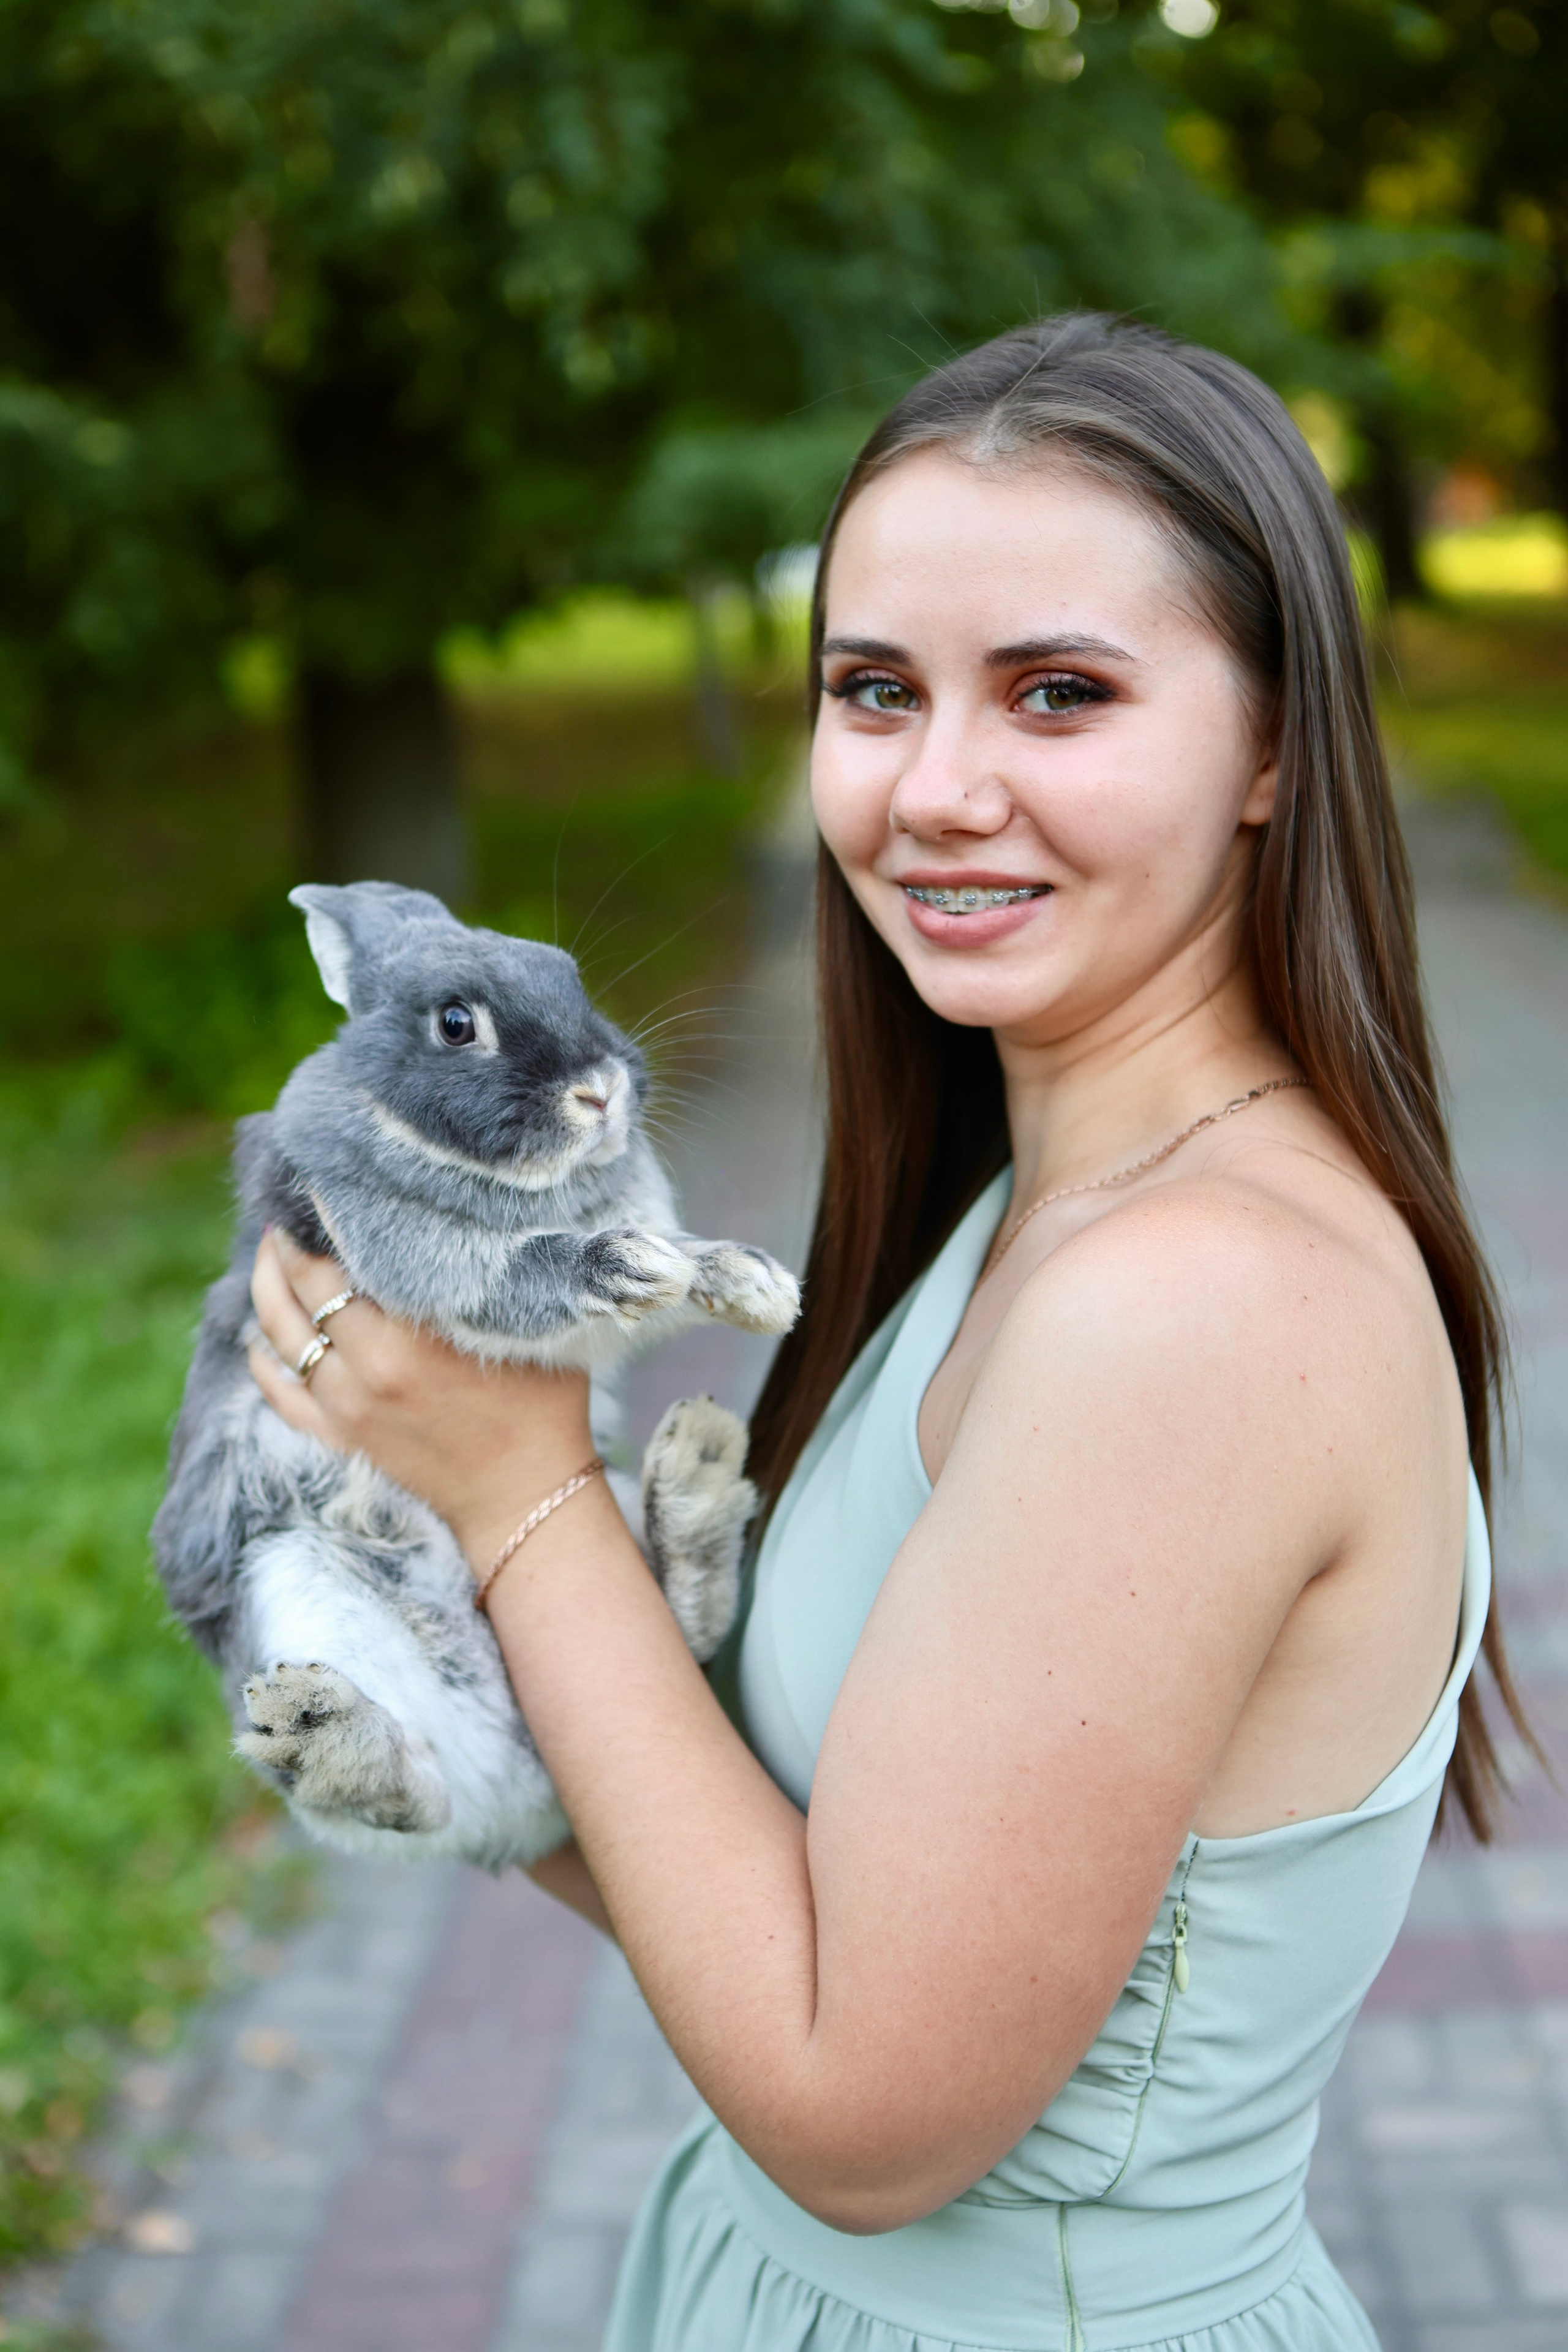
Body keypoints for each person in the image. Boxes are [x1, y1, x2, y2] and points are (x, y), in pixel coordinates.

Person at [249, 313, 1531, 2351]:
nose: (937, 791)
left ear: (1276, 743)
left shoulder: (1195, 1302)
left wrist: (520, 1497)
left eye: (1059, 693)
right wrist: (433, 1728)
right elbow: (798, 1885)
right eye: (875, 691)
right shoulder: (1035, 1200)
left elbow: (862, 2121)